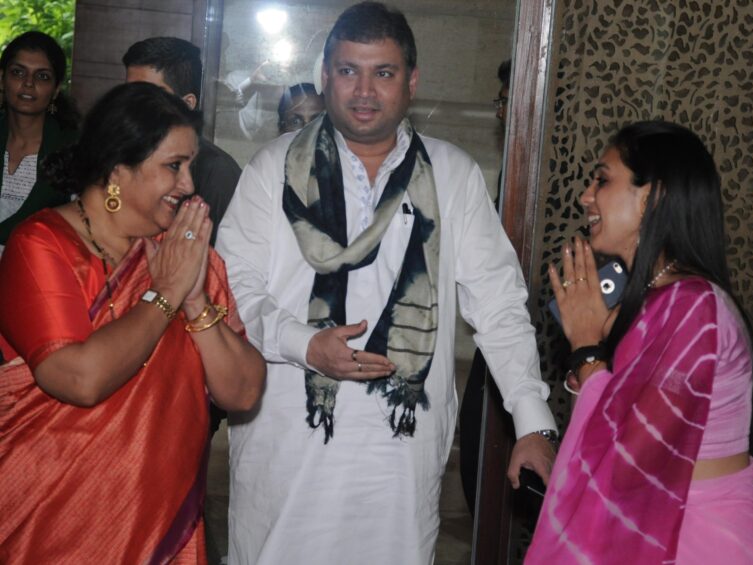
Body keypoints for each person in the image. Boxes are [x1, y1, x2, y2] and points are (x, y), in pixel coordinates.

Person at [216, 3, 557, 563]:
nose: (364, 90)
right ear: (325, 76)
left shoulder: (452, 174)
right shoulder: (270, 169)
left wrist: (532, 422)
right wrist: (305, 345)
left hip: (400, 456)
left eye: (384, 72)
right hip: (287, 451)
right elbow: (233, 291)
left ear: (412, 82)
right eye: (348, 71)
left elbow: (498, 305)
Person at [0, 82, 266, 563]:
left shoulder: (187, 255)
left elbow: (243, 392)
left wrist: (194, 299)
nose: (188, 185)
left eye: (190, 166)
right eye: (173, 166)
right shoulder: (41, 246)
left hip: (159, 526)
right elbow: (78, 378)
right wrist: (164, 293)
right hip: (50, 526)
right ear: (118, 169)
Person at [526, 121, 753, 563]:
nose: (585, 196)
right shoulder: (657, 300)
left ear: (651, 197)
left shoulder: (695, 308)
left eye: (602, 179)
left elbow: (635, 455)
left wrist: (586, 348)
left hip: (697, 538)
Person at [459, 56, 513, 516]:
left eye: (505, 101)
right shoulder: (509, 170)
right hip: (493, 331)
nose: (501, 113)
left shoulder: (542, 174)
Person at [123, 36, 241, 245]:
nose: (133, 106)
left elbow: (222, 266)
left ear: (186, 104)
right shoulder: (121, 154)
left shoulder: (216, 171)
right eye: (128, 94)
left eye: (148, 97)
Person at [0, 31, 79, 248]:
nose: (28, 83)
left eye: (42, 76)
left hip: (37, 269)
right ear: (2, 79)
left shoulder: (73, 150)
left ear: (55, 90)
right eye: (18, 72)